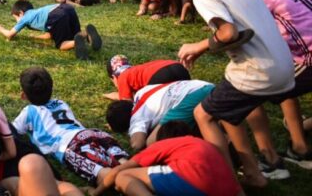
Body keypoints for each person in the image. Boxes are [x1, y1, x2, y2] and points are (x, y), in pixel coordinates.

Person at [171, 0, 296, 187]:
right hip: (283, 64)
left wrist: (197, 46)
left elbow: (228, 33)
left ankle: (228, 185)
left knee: (204, 114)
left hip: (259, 71)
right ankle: (259, 168)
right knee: (232, 105)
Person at [244, 0, 312, 168]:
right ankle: (299, 147)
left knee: (246, 91)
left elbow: (244, 29)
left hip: (309, 60)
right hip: (303, 58)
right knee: (287, 84)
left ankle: (269, 160)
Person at [12, 67, 129, 189]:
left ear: (23, 95)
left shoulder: (29, 112)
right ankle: (137, 175)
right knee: (123, 162)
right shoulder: (60, 102)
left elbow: (12, 131)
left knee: (105, 175)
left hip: (71, 146)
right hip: (93, 133)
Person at [91, 120, 243, 196]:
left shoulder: (166, 144)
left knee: (124, 177)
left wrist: (95, 192)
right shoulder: (200, 144)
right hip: (227, 189)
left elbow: (119, 170)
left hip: (193, 180)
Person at [105, 79, 215, 151]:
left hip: (189, 98)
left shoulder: (136, 119)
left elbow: (137, 144)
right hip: (203, 85)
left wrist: (129, 135)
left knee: (151, 143)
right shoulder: (141, 93)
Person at [0, 0, 102, 60]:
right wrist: (34, 37)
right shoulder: (38, 13)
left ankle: (76, 42)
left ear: (20, 13)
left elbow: (10, 35)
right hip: (67, 8)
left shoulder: (25, 17)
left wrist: (0, 29)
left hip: (55, 15)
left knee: (61, 45)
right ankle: (87, 34)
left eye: (16, 18)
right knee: (75, 34)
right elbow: (50, 35)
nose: (17, 21)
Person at [102, 55, 190, 101]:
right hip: (178, 67)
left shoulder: (122, 77)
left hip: (161, 75)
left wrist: (112, 95)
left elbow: (127, 103)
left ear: (114, 77)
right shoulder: (136, 71)